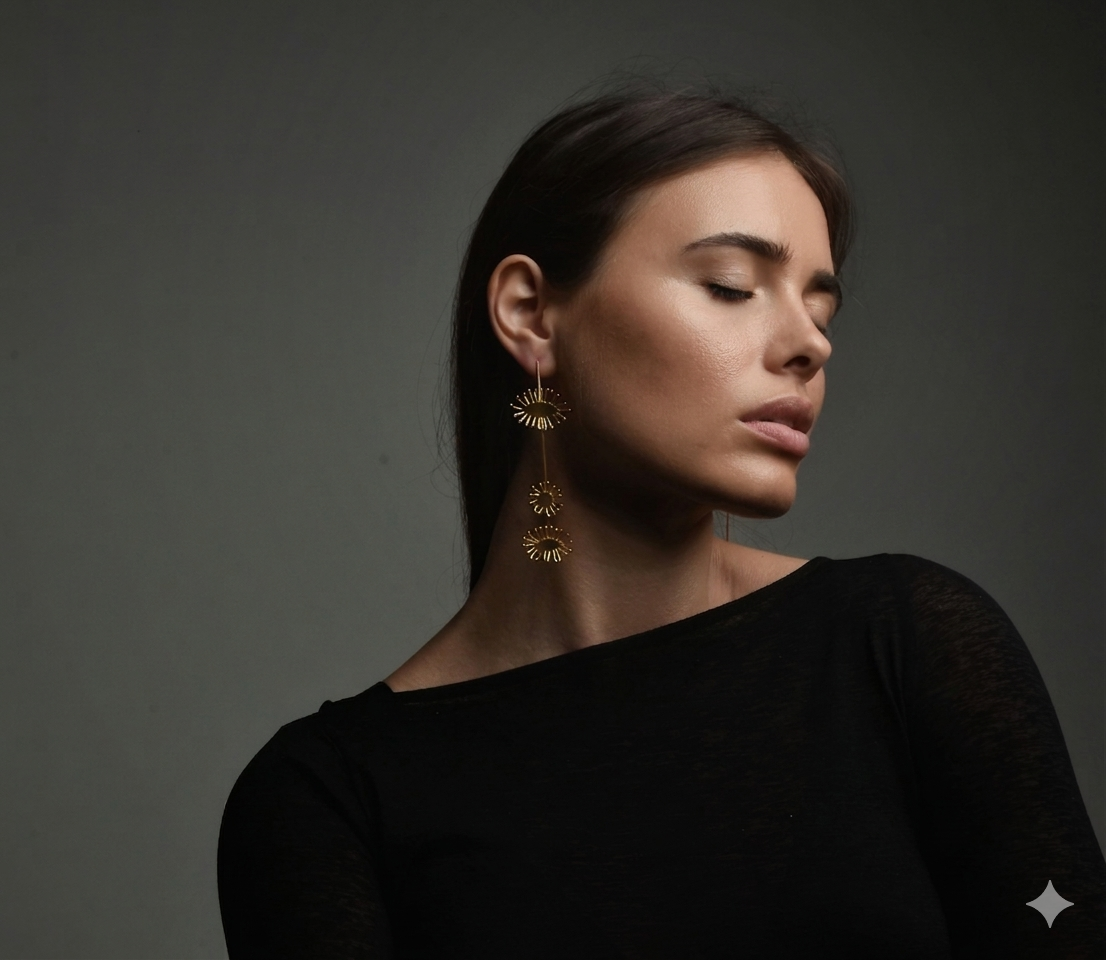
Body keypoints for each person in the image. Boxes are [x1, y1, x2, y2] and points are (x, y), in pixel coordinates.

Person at [216, 87, 1106, 958]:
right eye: (731, 285)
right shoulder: (327, 801)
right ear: (530, 314)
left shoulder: (908, 643)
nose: (810, 343)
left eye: (821, 306)